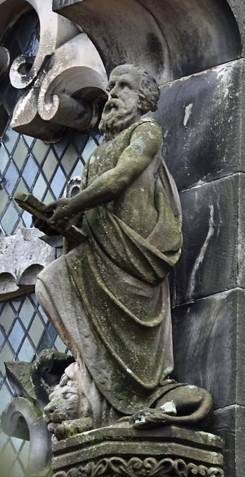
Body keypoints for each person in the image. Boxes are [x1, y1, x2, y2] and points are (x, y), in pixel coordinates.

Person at [35, 64, 198, 428]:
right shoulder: (99, 151)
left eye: (123, 87)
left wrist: (73, 205)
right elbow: (98, 209)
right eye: (110, 88)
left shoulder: (146, 131)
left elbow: (123, 176)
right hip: (99, 252)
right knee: (50, 281)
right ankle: (97, 389)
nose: (112, 96)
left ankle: (136, 400)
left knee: (61, 284)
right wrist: (61, 219)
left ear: (143, 100)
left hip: (133, 257)